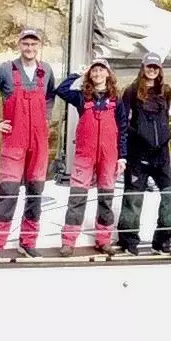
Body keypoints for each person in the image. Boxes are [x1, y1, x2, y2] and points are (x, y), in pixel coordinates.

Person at [0, 28, 56, 258]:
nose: (29, 48)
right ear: (19, 45)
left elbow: (50, 95)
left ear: (39, 46)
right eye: (25, 44)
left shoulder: (46, 70)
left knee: (35, 194)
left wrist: (47, 117)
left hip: (39, 143)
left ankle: (28, 243)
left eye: (33, 44)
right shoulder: (5, 70)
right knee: (8, 193)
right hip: (14, 141)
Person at [55, 58, 128, 256]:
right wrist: (79, 73)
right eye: (94, 71)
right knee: (77, 197)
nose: (97, 74)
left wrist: (123, 157)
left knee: (106, 198)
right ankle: (68, 241)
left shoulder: (117, 100)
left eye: (101, 70)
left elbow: (123, 129)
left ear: (108, 74)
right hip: (85, 155)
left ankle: (103, 240)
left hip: (109, 155)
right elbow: (61, 89)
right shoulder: (81, 97)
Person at [116, 52, 171, 255]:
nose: (152, 70)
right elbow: (123, 123)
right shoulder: (131, 91)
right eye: (149, 67)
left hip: (161, 156)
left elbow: (165, 117)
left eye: (155, 67)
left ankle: (162, 240)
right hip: (137, 154)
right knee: (133, 200)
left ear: (160, 70)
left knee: (170, 197)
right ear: (142, 68)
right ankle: (128, 241)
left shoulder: (165, 91)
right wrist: (124, 151)